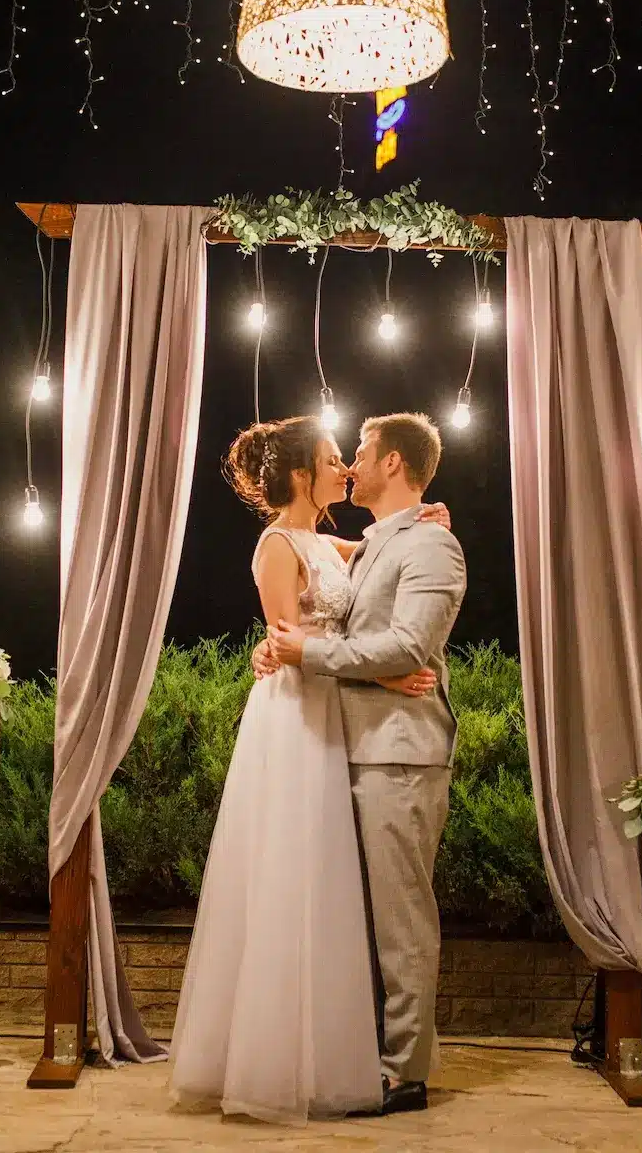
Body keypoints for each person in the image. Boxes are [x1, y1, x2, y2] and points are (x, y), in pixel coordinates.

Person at [168, 414, 448, 1125]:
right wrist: (374, 679)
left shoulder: (339, 542)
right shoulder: (277, 544)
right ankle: (283, 1053)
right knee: (295, 884)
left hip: (347, 724)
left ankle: (367, 1059)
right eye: (332, 459)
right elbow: (287, 638)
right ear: (302, 475)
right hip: (303, 720)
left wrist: (428, 515)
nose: (346, 467)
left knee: (351, 900)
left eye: (353, 455)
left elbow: (378, 570)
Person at [263, 413, 467, 1117]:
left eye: (361, 452)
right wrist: (282, 648)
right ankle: (364, 1052)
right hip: (340, 745)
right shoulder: (377, 541)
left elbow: (408, 646)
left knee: (402, 917)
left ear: (394, 464)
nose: (351, 462)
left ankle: (404, 1072)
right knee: (358, 917)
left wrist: (305, 654)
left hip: (398, 754)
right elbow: (330, 615)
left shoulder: (433, 547)